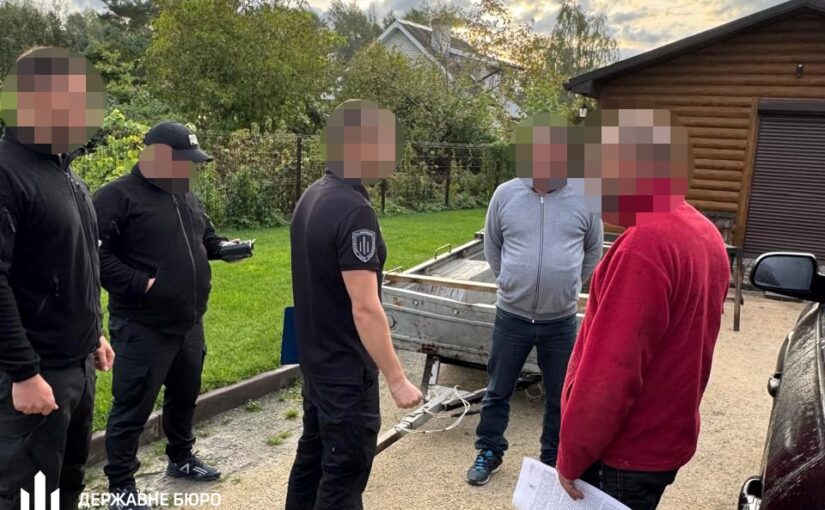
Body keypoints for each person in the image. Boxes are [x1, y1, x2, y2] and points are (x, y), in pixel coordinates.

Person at [556, 109, 731, 510]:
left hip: (623, 452)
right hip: (665, 440)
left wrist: (572, 455)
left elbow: (611, 371)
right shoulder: (704, 232)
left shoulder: (645, 246)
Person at [285, 99, 423, 510]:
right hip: (345, 371)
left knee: (312, 459)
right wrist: (397, 379)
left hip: (317, 362)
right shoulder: (353, 210)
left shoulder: (313, 195)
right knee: (344, 472)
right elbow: (365, 307)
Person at [93, 122, 238, 510]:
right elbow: (95, 256)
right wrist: (141, 283)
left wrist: (225, 248)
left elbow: (205, 237)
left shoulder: (184, 194)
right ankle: (121, 485)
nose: (188, 169)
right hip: (142, 325)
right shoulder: (116, 196)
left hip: (189, 321)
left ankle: (181, 457)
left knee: (184, 395)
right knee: (132, 407)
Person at [0, 47, 114, 510]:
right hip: (32, 376)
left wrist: (95, 333)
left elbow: (76, 262)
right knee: (28, 498)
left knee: (66, 485)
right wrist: (23, 372)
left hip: (76, 368)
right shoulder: (7, 171)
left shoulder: (67, 175)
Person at [466, 114, 603, 486]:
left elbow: (593, 250)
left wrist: (568, 284)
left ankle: (552, 460)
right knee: (498, 389)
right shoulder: (505, 194)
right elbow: (492, 245)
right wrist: (510, 282)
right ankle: (489, 451)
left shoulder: (585, 197)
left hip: (560, 321)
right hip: (511, 317)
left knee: (561, 396)